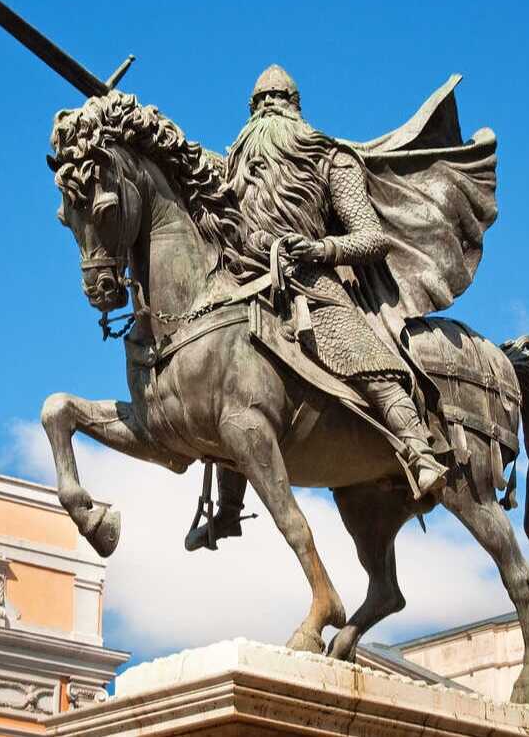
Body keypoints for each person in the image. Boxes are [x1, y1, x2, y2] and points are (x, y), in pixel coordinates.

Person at [186, 65, 448, 550]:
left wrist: (318, 250)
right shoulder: (233, 167)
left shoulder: (332, 160)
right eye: (259, 104)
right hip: (247, 280)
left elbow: (373, 239)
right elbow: (183, 156)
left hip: (314, 281)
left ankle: (419, 449)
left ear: (294, 107)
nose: (267, 112)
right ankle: (227, 511)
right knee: (220, 373)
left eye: (276, 101)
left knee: (358, 352)